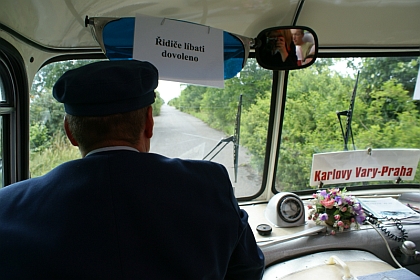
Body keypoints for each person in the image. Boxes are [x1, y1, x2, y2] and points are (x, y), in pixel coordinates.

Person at [0, 60, 265, 279]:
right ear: (149, 123)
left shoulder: (8, 206)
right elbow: (248, 269)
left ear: (70, 132)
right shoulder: (211, 184)